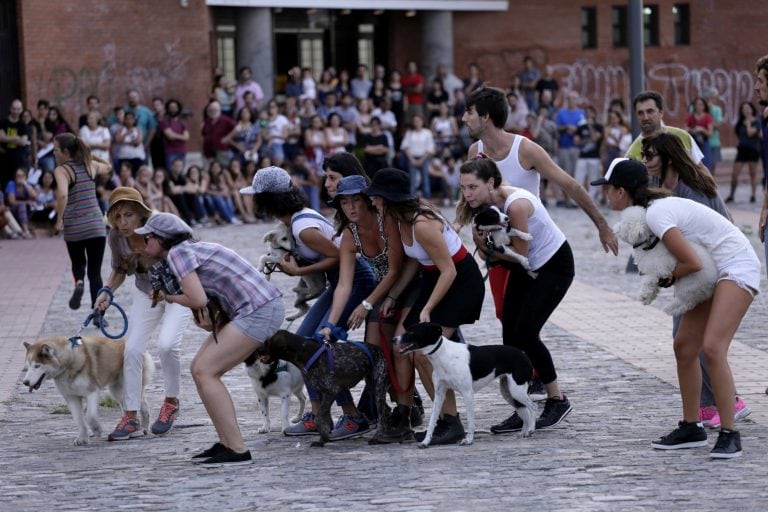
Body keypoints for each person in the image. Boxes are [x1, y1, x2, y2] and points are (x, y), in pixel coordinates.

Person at [597, 158, 759, 459]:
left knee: (712, 348)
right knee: (685, 347)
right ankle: (691, 426)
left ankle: (729, 434)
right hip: (712, 270)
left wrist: (666, 278)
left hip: (736, 266)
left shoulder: (657, 215)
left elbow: (691, 263)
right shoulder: (650, 213)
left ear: (621, 191)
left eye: (607, 189)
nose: (605, 195)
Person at [137, 212, 283, 466]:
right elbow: (208, 308)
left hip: (259, 309)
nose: (144, 242)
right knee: (199, 369)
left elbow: (198, 299)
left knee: (206, 370)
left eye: (148, 237)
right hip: (256, 308)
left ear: (163, 239)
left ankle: (237, 448)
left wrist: (168, 297)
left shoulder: (177, 253)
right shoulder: (186, 250)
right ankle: (226, 442)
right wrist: (208, 323)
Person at [241, 166, 376, 439]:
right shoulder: (295, 220)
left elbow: (342, 256)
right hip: (340, 283)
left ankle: (351, 415)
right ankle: (316, 413)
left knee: (316, 348)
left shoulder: (302, 228)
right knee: (303, 342)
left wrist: (297, 271)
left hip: (355, 282)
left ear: (267, 200)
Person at [461, 87, 618, 323]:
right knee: (504, 315)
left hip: (530, 247)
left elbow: (570, 185)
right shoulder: (476, 151)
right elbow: (469, 196)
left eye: (469, 112)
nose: (464, 118)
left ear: (485, 117)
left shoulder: (525, 149)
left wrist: (602, 225)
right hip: (497, 243)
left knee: (522, 320)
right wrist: (465, 228)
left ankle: (528, 358)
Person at [364, 168, 485, 445]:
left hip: (460, 282)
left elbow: (450, 271)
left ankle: (450, 422)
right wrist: (393, 296)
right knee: (403, 345)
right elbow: (414, 261)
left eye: (376, 198)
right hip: (434, 278)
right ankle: (428, 417)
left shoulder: (422, 223)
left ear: (389, 199)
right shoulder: (396, 219)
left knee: (423, 354)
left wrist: (427, 309)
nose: (372, 202)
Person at [641, 134, 751, 430]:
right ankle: (703, 408)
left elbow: (697, 250)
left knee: (701, 343)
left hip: (718, 268)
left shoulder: (690, 189)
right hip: (701, 270)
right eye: (644, 156)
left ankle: (730, 405)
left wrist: (667, 274)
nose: (645, 161)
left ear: (668, 159)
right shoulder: (668, 189)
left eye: (650, 156)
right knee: (686, 344)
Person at [96, 188, 192, 441]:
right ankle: (131, 417)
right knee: (132, 349)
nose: (122, 222)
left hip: (179, 290)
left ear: (141, 213)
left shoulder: (164, 225)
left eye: (128, 215)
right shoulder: (116, 238)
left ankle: (171, 402)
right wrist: (106, 291)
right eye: (117, 217)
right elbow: (119, 270)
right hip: (145, 291)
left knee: (167, 344)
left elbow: (195, 253)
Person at [315, 175, 406, 438]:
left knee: (411, 348)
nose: (351, 207)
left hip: (410, 284)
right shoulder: (349, 235)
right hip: (382, 292)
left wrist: (367, 303)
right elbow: (343, 285)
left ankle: (411, 407)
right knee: (374, 348)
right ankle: (392, 410)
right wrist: (331, 324)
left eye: (356, 200)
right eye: (344, 202)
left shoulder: (385, 220)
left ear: (367, 200)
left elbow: (397, 269)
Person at [53, 133, 112, 312]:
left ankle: (79, 282)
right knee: (95, 273)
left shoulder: (62, 170)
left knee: (78, 264)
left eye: (56, 150)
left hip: (74, 227)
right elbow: (108, 166)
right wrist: (90, 155)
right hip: (96, 226)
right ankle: (98, 312)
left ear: (65, 151)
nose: (54, 153)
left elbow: (63, 195)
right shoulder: (90, 165)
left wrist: (58, 221)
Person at [625, 91, 707, 173]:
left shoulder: (682, 136)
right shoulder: (632, 154)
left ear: (661, 113)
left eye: (650, 111)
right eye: (640, 113)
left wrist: (711, 186)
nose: (645, 117)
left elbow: (701, 169)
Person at [725, 101, 761, 203]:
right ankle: (731, 194)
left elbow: (750, 133)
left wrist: (748, 123)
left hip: (753, 150)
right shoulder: (740, 122)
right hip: (742, 150)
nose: (746, 110)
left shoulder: (756, 121)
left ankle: (753, 195)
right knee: (734, 173)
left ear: (752, 109)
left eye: (748, 108)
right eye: (744, 109)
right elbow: (738, 133)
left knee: (753, 173)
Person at [400, 114, 435, 199]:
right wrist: (412, 159)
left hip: (424, 158)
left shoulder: (427, 132)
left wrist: (421, 160)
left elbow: (430, 148)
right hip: (412, 158)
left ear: (422, 121)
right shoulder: (409, 133)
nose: (417, 123)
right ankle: (412, 199)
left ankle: (427, 199)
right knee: (412, 180)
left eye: (418, 121)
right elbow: (405, 146)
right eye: (415, 121)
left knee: (425, 179)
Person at [0, 99, 31, 187]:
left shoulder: (23, 125)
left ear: (21, 110)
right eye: (14, 109)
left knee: (19, 184)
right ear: (10, 109)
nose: (16, 111)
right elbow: (1, 138)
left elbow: (23, 142)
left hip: (18, 160)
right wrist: (16, 138)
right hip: (4, 159)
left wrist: (6, 138)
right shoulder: (3, 122)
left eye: (18, 109)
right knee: (5, 184)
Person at [684, 97, 714, 171]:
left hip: (704, 142)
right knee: (692, 164)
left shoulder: (708, 117)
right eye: (697, 104)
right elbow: (685, 129)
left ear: (704, 106)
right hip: (693, 143)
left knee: (706, 164)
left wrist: (702, 130)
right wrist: (691, 130)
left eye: (701, 105)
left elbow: (710, 134)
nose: (699, 106)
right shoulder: (690, 117)